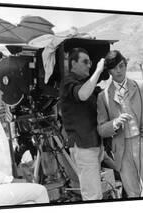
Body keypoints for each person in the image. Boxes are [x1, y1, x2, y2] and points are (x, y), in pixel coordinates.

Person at [97, 50, 143, 197]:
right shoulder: (103, 96)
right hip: (121, 151)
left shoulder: (140, 86)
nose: (119, 70)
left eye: (122, 66)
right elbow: (101, 129)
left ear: (126, 65)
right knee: (133, 194)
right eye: (114, 67)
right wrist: (114, 123)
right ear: (109, 71)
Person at [0, 65, 49, 207]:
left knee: (31, 199)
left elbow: (3, 162)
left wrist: (19, 171)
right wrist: (12, 181)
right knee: (40, 192)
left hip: (3, 187)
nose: (2, 94)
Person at [60, 48, 105, 200]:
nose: (89, 65)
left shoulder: (88, 84)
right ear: (73, 63)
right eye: (85, 62)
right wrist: (98, 71)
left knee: (96, 192)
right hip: (83, 145)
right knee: (92, 195)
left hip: (94, 144)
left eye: (91, 63)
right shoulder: (68, 82)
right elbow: (82, 94)